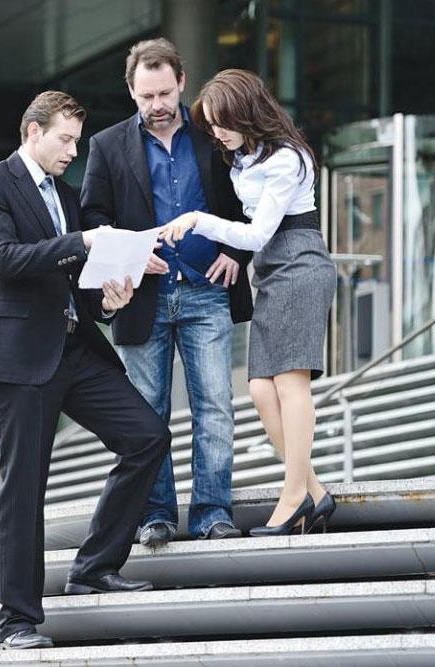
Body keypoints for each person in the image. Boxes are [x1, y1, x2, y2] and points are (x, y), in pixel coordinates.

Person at [0, 91, 171, 650]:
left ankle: (93, 567)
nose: (72, 152)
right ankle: (16, 623)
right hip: (18, 357)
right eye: (65, 140)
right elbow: (4, 260)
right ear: (33, 132)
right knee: (23, 489)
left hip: (76, 347)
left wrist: (111, 296)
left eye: (77, 142)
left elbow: (80, 280)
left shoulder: (68, 195)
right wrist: (80, 240)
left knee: (147, 437)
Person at [80, 38, 252, 548]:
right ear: (131, 92)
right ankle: (155, 514)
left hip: (207, 291)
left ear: (181, 82)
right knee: (146, 415)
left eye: (164, 92)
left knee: (215, 407)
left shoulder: (213, 136)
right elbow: (92, 216)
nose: (157, 105)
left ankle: (212, 512)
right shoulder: (107, 146)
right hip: (143, 297)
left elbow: (247, 199)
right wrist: (131, 254)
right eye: (145, 96)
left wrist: (235, 253)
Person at [159, 69, 338, 536]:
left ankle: (294, 494)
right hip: (273, 274)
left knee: (291, 384)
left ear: (247, 113)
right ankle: (316, 493)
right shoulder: (243, 155)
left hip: (300, 264)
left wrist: (199, 220)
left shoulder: (286, 159)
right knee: (260, 390)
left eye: (223, 123)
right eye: (212, 125)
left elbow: (259, 232)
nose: (217, 133)